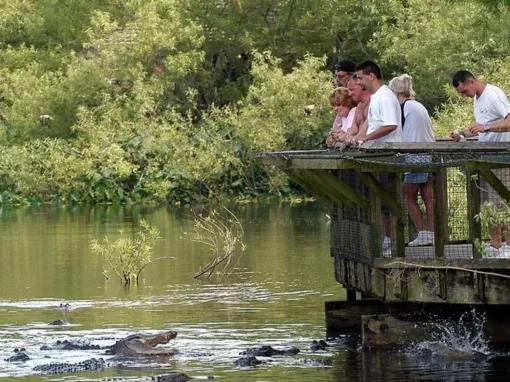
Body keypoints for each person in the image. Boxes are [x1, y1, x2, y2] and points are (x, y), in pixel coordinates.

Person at [450, 70, 510, 255]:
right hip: (487, 159)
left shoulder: (493, 95)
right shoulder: (477, 99)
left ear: (471, 81)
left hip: (501, 157)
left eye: (463, 91)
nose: (463, 96)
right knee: (490, 204)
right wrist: (461, 134)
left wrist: (485, 126)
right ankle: (497, 245)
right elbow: (481, 128)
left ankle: (503, 246)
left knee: (501, 203)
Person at [354, 61, 403, 255]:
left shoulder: (385, 96)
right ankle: (387, 240)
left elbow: (390, 125)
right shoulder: (376, 97)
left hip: (389, 156)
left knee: (388, 202)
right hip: (378, 155)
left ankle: (393, 242)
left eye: (360, 77)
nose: (358, 81)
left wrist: (365, 138)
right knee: (381, 202)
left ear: (371, 76)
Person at [389, 74, 435, 246]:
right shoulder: (418, 106)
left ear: (396, 92)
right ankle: (432, 231)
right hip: (430, 155)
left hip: (415, 156)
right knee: (428, 196)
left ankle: (423, 232)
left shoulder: (403, 108)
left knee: (407, 195)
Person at [343, 76, 371, 144]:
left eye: (351, 89)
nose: (349, 94)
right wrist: (344, 136)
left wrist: (356, 138)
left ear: (361, 86)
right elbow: (353, 129)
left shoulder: (374, 102)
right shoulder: (359, 106)